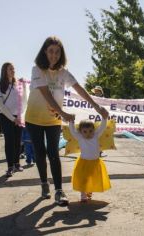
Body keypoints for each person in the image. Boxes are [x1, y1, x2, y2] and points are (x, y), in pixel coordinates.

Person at [25, 36, 108, 206]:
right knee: (40, 153)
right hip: (33, 118)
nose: (54, 55)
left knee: (53, 153)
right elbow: (45, 93)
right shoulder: (37, 70)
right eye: (50, 51)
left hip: (53, 120)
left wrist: (97, 107)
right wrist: (62, 112)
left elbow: (80, 90)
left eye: (57, 52)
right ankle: (44, 184)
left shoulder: (64, 72)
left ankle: (58, 191)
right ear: (44, 52)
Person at [68, 117, 111, 202]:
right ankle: (83, 196)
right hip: (83, 162)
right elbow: (73, 131)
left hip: (95, 163)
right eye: (85, 131)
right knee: (83, 179)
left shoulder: (96, 135)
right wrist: (71, 122)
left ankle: (89, 191)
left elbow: (102, 127)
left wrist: (104, 118)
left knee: (92, 178)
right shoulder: (80, 137)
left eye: (90, 131)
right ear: (80, 132)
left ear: (93, 130)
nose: (88, 133)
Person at [0, 62, 24, 177]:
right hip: (6, 117)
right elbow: (0, 105)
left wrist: (20, 116)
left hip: (18, 117)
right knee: (9, 142)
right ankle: (10, 167)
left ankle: (17, 163)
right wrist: (13, 118)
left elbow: (23, 100)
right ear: (5, 71)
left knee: (18, 141)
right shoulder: (0, 86)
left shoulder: (17, 84)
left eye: (13, 68)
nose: (13, 71)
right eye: (10, 69)